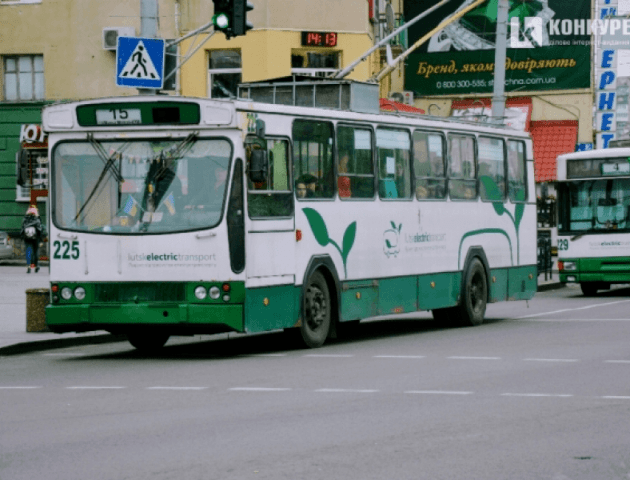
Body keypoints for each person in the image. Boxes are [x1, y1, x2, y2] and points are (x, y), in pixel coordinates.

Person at [21, 205, 44, 273]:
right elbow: (40, 230)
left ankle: (28, 266)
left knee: (28, 251)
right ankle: (36, 265)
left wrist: (22, 237)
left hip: (27, 237)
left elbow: (22, 229)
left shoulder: (25, 219)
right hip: (35, 238)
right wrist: (41, 239)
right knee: (35, 251)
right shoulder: (37, 219)